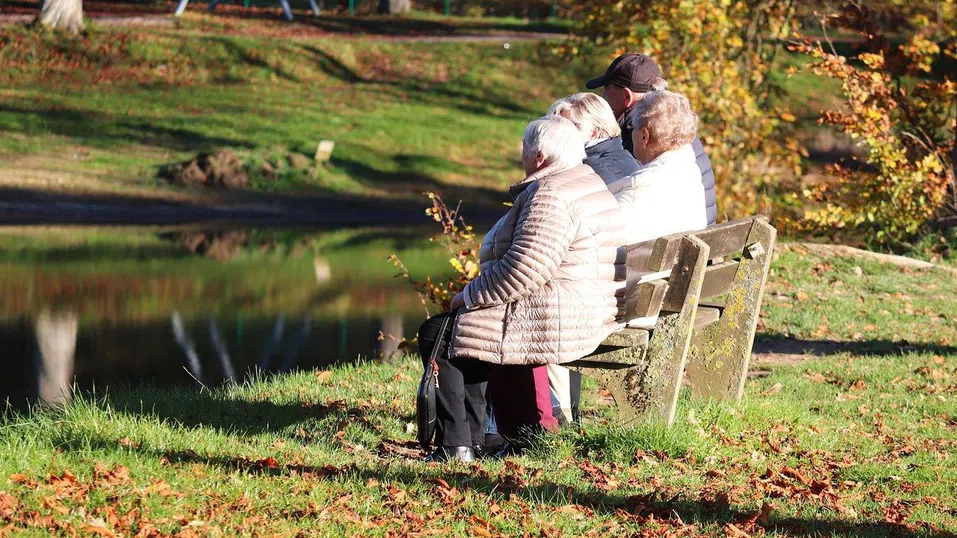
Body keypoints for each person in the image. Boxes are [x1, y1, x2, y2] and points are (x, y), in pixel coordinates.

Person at [417, 116, 625, 462]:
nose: (522, 154)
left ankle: (458, 446)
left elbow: (523, 269)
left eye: (525, 148)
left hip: (562, 310)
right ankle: (475, 440)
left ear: (539, 157)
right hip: (581, 300)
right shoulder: (581, 180)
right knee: (465, 331)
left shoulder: (551, 195)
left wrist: (468, 295)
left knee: (441, 333)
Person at [585, 53, 718, 225]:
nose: (603, 97)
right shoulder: (679, 126)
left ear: (627, 96)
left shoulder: (639, 134)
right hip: (700, 234)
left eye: (606, 92)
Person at [609, 90, 707, 255]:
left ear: (644, 136)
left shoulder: (635, 190)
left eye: (633, 127)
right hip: (675, 276)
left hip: (643, 279)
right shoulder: (691, 173)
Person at [547, 93, 639, 186]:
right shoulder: (623, 156)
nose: (558, 133)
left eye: (570, 127)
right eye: (556, 125)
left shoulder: (589, 170)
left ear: (594, 133)